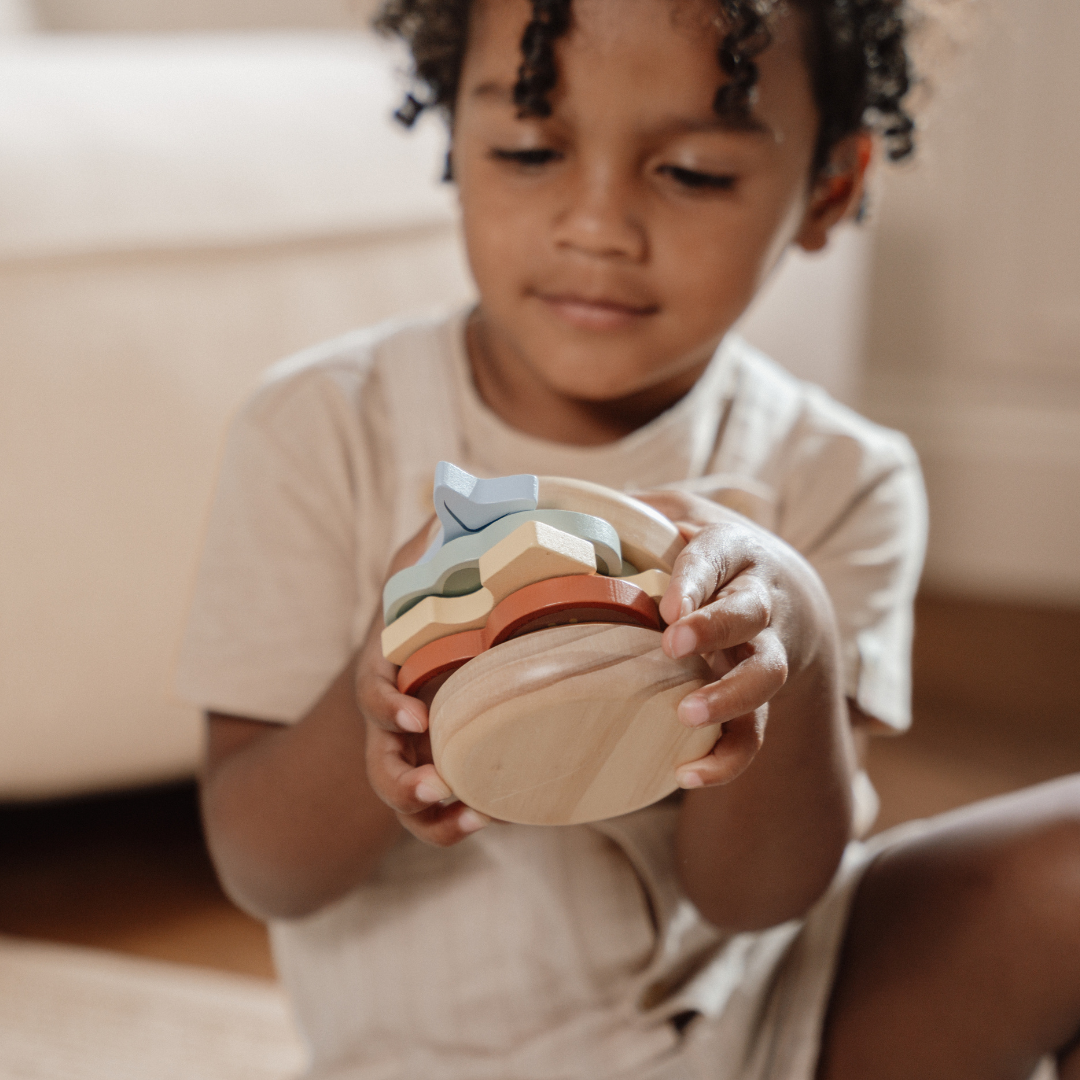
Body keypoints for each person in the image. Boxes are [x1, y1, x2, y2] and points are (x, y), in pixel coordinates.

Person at [178, 0, 1080, 1077]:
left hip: (774, 1028)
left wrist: (790, 636)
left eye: (693, 172)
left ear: (829, 188)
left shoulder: (841, 474)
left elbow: (756, 902)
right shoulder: (325, 428)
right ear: (457, 149)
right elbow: (263, 867)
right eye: (527, 151)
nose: (596, 224)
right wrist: (393, 680)